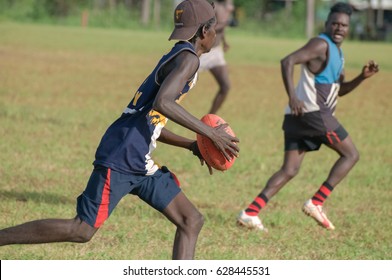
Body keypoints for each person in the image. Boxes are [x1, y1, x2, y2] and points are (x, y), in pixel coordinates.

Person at [0, 0, 239, 260]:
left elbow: (150, 119)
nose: (217, 33)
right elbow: (164, 103)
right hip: (123, 154)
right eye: (214, 27)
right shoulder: (188, 60)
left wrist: (191, 145)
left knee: (191, 220)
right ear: (204, 31)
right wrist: (210, 133)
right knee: (81, 229)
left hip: (137, 155)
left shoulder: (179, 55)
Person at [237, 2, 379, 231]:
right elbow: (287, 61)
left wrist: (362, 77)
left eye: (344, 25)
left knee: (290, 170)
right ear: (326, 24)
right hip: (314, 114)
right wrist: (292, 96)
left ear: (349, 28)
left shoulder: (337, 52)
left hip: (297, 118)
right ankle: (316, 202)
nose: (339, 28)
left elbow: (339, 89)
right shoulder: (321, 44)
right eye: (335, 23)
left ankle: (250, 212)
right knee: (351, 154)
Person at [199, 0, 234, 114]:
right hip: (203, 51)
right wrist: (226, 23)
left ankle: (210, 119)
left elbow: (221, 28)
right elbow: (207, 28)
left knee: (225, 86)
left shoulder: (227, 4)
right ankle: (162, 107)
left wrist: (225, 42)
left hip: (216, 51)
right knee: (182, 85)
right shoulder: (213, 5)